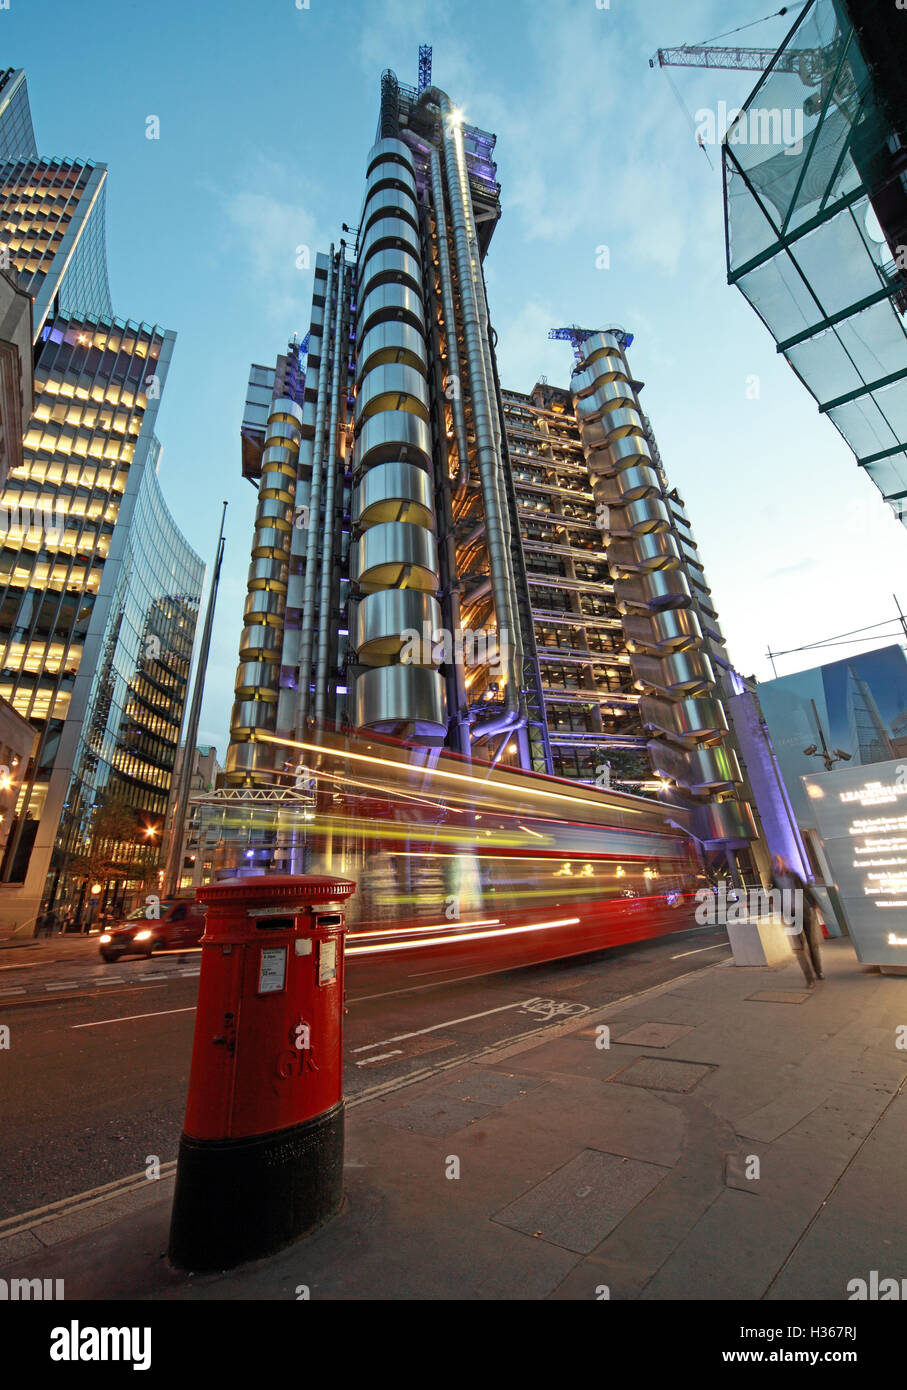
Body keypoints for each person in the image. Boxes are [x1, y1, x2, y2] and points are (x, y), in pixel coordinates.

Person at [773, 855, 824, 985]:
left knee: (812, 943)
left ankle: (818, 971)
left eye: (781, 861)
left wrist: (815, 904)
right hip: (791, 915)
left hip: (804, 912)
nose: (779, 864)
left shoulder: (794, 876)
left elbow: (805, 890)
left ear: (785, 862)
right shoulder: (774, 879)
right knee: (800, 947)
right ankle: (809, 978)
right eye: (776, 862)